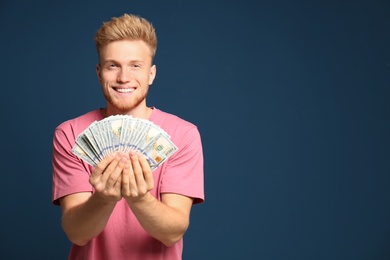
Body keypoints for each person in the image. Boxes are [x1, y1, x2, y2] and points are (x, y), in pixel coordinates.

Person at [52, 13, 204, 260]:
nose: (123, 77)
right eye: (113, 66)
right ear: (99, 72)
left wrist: (139, 199)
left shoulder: (183, 135)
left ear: (151, 74)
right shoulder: (70, 134)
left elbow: (173, 232)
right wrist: (103, 199)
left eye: (135, 65)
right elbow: (77, 233)